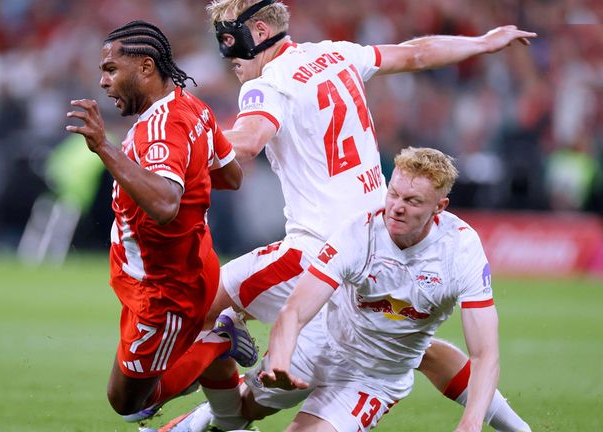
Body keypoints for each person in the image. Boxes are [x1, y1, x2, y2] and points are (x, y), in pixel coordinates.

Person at [163, 1, 535, 430]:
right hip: (380, 236)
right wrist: (482, 43)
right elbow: (416, 53)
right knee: (414, 348)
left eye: (230, 40)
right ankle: (517, 428)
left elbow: (246, 142)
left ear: (259, 32)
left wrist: (170, 152)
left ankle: (194, 398)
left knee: (195, 308)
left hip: (318, 249)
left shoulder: (268, 83)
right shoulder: (337, 53)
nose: (227, 56)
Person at [64, 20, 256, 423]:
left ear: (146, 67)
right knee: (144, 381)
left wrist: (104, 148)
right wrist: (191, 176)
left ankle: (218, 339)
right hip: (183, 264)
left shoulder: (159, 128)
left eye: (111, 70)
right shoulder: (191, 107)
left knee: (129, 403)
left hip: (164, 290)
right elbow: (231, 176)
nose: (103, 82)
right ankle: (227, 416)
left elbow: (166, 203)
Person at [253, 147, 500, 431]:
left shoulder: (461, 249)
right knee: (240, 408)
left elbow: (484, 353)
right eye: (393, 193)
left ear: (439, 207)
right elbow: (295, 311)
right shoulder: (358, 233)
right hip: (323, 341)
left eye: (413, 201)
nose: (397, 207)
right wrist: (280, 361)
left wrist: (471, 423)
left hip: (374, 378)